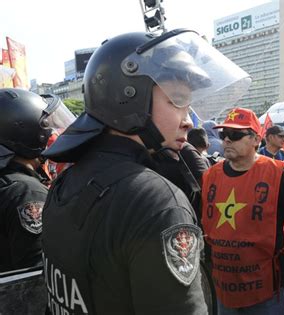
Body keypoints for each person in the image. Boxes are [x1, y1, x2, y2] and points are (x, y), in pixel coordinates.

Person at [41, 29, 251, 314]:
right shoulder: (158, 202)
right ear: (129, 98)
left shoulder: (66, 180)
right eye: (177, 100)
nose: (188, 120)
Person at [201, 107, 284, 314]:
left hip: (268, 293)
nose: (227, 141)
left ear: (255, 140)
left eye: (235, 135)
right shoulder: (209, 176)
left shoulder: (280, 176)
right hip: (224, 289)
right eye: (224, 135)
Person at [0, 89, 73, 273]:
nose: (52, 134)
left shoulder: (8, 182)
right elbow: (38, 274)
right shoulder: (27, 193)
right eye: (47, 127)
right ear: (30, 133)